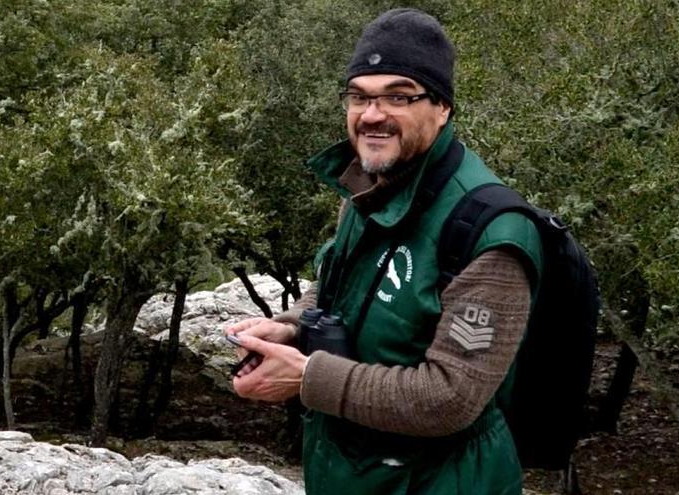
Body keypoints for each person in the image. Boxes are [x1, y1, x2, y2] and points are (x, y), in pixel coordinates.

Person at [228, 8, 542, 495]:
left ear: (442, 107)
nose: (372, 115)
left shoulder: (490, 232)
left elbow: (450, 398)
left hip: (443, 482)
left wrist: (308, 377)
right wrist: (291, 327)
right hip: (356, 472)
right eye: (359, 96)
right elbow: (340, 290)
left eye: (398, 96)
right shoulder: (370, 188)